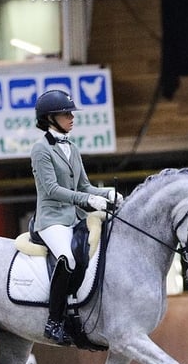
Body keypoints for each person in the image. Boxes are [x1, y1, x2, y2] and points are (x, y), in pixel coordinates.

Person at [30, 89, 122, 345]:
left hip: (73, 218)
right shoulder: (41, 149)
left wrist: (107, 193)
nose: (72, 117)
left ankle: (78, 308)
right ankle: (54, 321)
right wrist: (87, 200)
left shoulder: (72, 147)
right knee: (68, 259)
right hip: (52, 219)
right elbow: (51, 189)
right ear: (50, 118)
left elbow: (85, 186)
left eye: (71, 113)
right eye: (66, 113)